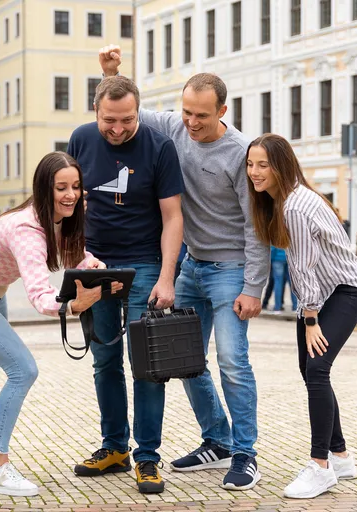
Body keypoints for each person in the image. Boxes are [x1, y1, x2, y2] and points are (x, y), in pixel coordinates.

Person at [98, 47, 269, 490]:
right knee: (185, 359)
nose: (191, 123)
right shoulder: (174, 126)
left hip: (230, 268)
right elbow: (126, 110)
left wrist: (253, 286)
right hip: (190, 264)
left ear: (223, 111)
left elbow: (257, 227)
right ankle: (217, 440)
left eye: (202, 116)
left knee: (233, 360)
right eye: (187, 112)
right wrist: (112, 73)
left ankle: (246, 453)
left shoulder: (240, 153)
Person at [0, 151, 119, 496]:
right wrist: (73, 306)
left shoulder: (57, 219)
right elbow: (39, 296)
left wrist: (98, 268)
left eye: (76, 187)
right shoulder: (26, 228)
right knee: (23, 370)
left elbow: (74, 254)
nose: (70, 195)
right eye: (61, 188)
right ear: (43, 190)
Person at [67, 76, 184, 494]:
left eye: (127, 120)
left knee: (147, 364)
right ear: (95, 111)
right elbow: (68, 206)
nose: (117, 129)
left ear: (139, 111)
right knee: (104, 360)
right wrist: (73, 267)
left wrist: (167, 277)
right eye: (109, 121)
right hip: (94, 264)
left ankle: (148, 457)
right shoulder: (80, 140)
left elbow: (173, 217)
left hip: (144, 265)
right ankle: (114, 446)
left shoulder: (159, 146)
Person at [245, 134, 357, 499]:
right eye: (251, 164)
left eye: (263, 165)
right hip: (322, 295)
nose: (254, 172)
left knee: (317, 369)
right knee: (310, 370)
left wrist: (311, 318)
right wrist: (309, 312)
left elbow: (303, 266)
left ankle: (320, 465)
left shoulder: (295, 206)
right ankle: (341, 456)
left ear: (281, 166)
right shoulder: (281, 201)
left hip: (345, 291)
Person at [262, 246, 298, 313]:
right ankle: (295, 307)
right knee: (292, 283)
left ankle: (277, 308)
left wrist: (270, 260)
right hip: (289, 258)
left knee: (278, 284)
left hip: (277, 258)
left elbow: (272, 248)